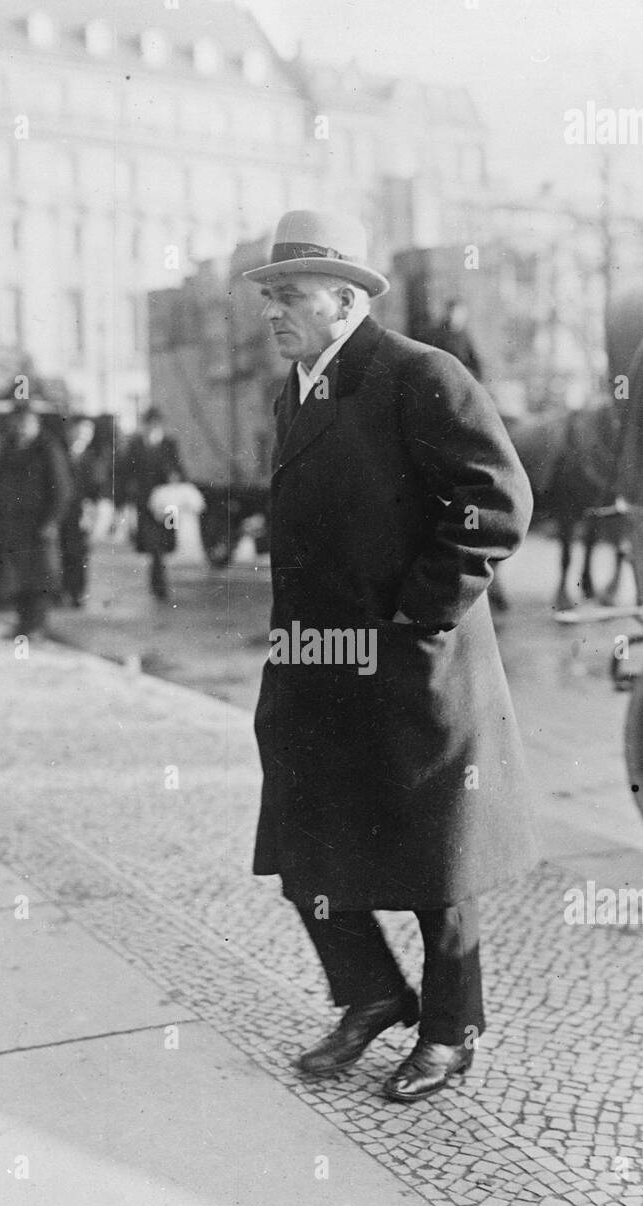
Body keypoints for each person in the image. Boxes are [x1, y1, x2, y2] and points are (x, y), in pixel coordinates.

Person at [244, 210, 538, 1103]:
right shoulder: (295, 388)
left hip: (412, 663)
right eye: (268, 298)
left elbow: (497, 499)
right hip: (316, 662)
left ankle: (452, 1031)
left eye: (288, 296)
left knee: (435, 861)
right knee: (304, 838)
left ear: (345, 299)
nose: (273, 313)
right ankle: (372, 993)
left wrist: (420, 618)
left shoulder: (419, 375)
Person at [0, 399, 71, 640]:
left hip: (39, 524)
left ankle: (37, 626)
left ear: (36, 423)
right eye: (17, 422)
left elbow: (62, 488)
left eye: (26, 422)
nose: (21, 427)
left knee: (41, 577)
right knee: (19, 577)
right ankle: (23, 625)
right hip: (14, 525)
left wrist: (51, 521)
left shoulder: (48, 448)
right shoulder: (9, 448)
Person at [121, 407, 184, 599]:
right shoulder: (136, 445)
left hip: (168, 504)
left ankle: (159, 578)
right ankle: (159, 585)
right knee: (154, 545)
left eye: (156, 424)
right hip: (145, 503)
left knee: (168, 543)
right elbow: (125, 472)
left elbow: (179, 469)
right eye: (150, 424)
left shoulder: (170, 444)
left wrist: (175, 476)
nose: (153, 428)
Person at [60, 415, 102, 607]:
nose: (84, 435)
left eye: (88, 432)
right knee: (62, 551)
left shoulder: (91, 458)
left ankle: (78, 592)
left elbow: (97, 487)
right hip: (62, 511)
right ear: (71, 431)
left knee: (80, 553)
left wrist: (92, 509)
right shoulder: (60, 453)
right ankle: (63, 590)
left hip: (83, 511)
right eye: (81, 430)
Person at [429, 298, 483, 379]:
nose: (457, 317)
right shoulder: (437, 334)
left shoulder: (464, 335)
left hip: (462, 375)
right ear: (448, 313)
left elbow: (474, 359)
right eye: (454, 313)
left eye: (461, 314)